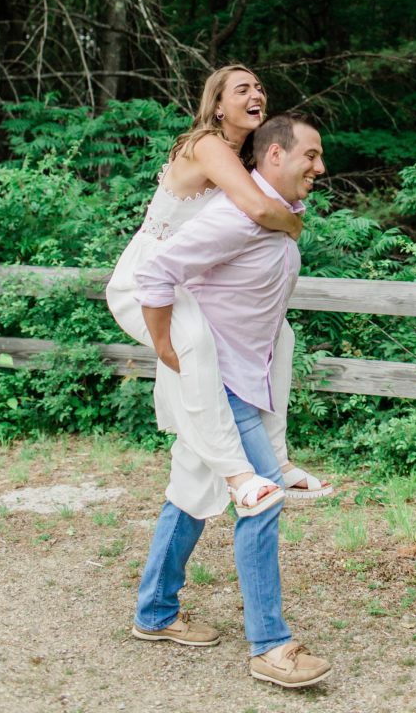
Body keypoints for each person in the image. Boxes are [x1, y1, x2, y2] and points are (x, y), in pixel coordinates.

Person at [131, 113, 331, 689]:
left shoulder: (275, 216)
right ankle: (270, 646)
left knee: (190, 496)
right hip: (216, 382)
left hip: (243, 380)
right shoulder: (237, 218)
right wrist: (168, 348)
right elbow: (158, 270)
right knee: (260, 499)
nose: (320, 167)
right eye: (310, 155)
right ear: (273, 156)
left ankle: (154, 613)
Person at [106, 65, 331, 515]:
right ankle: (239, 475)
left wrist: (286, 219)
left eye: (260, 88)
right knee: (193, 343)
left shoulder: (244, 159)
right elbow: (258, 208)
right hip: (145, 277)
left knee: (281, 335)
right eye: (242, 89)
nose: (257, 95)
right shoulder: (207, 145)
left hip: (183, 281)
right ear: (217, 105)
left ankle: (277, 458)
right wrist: (294, 222)